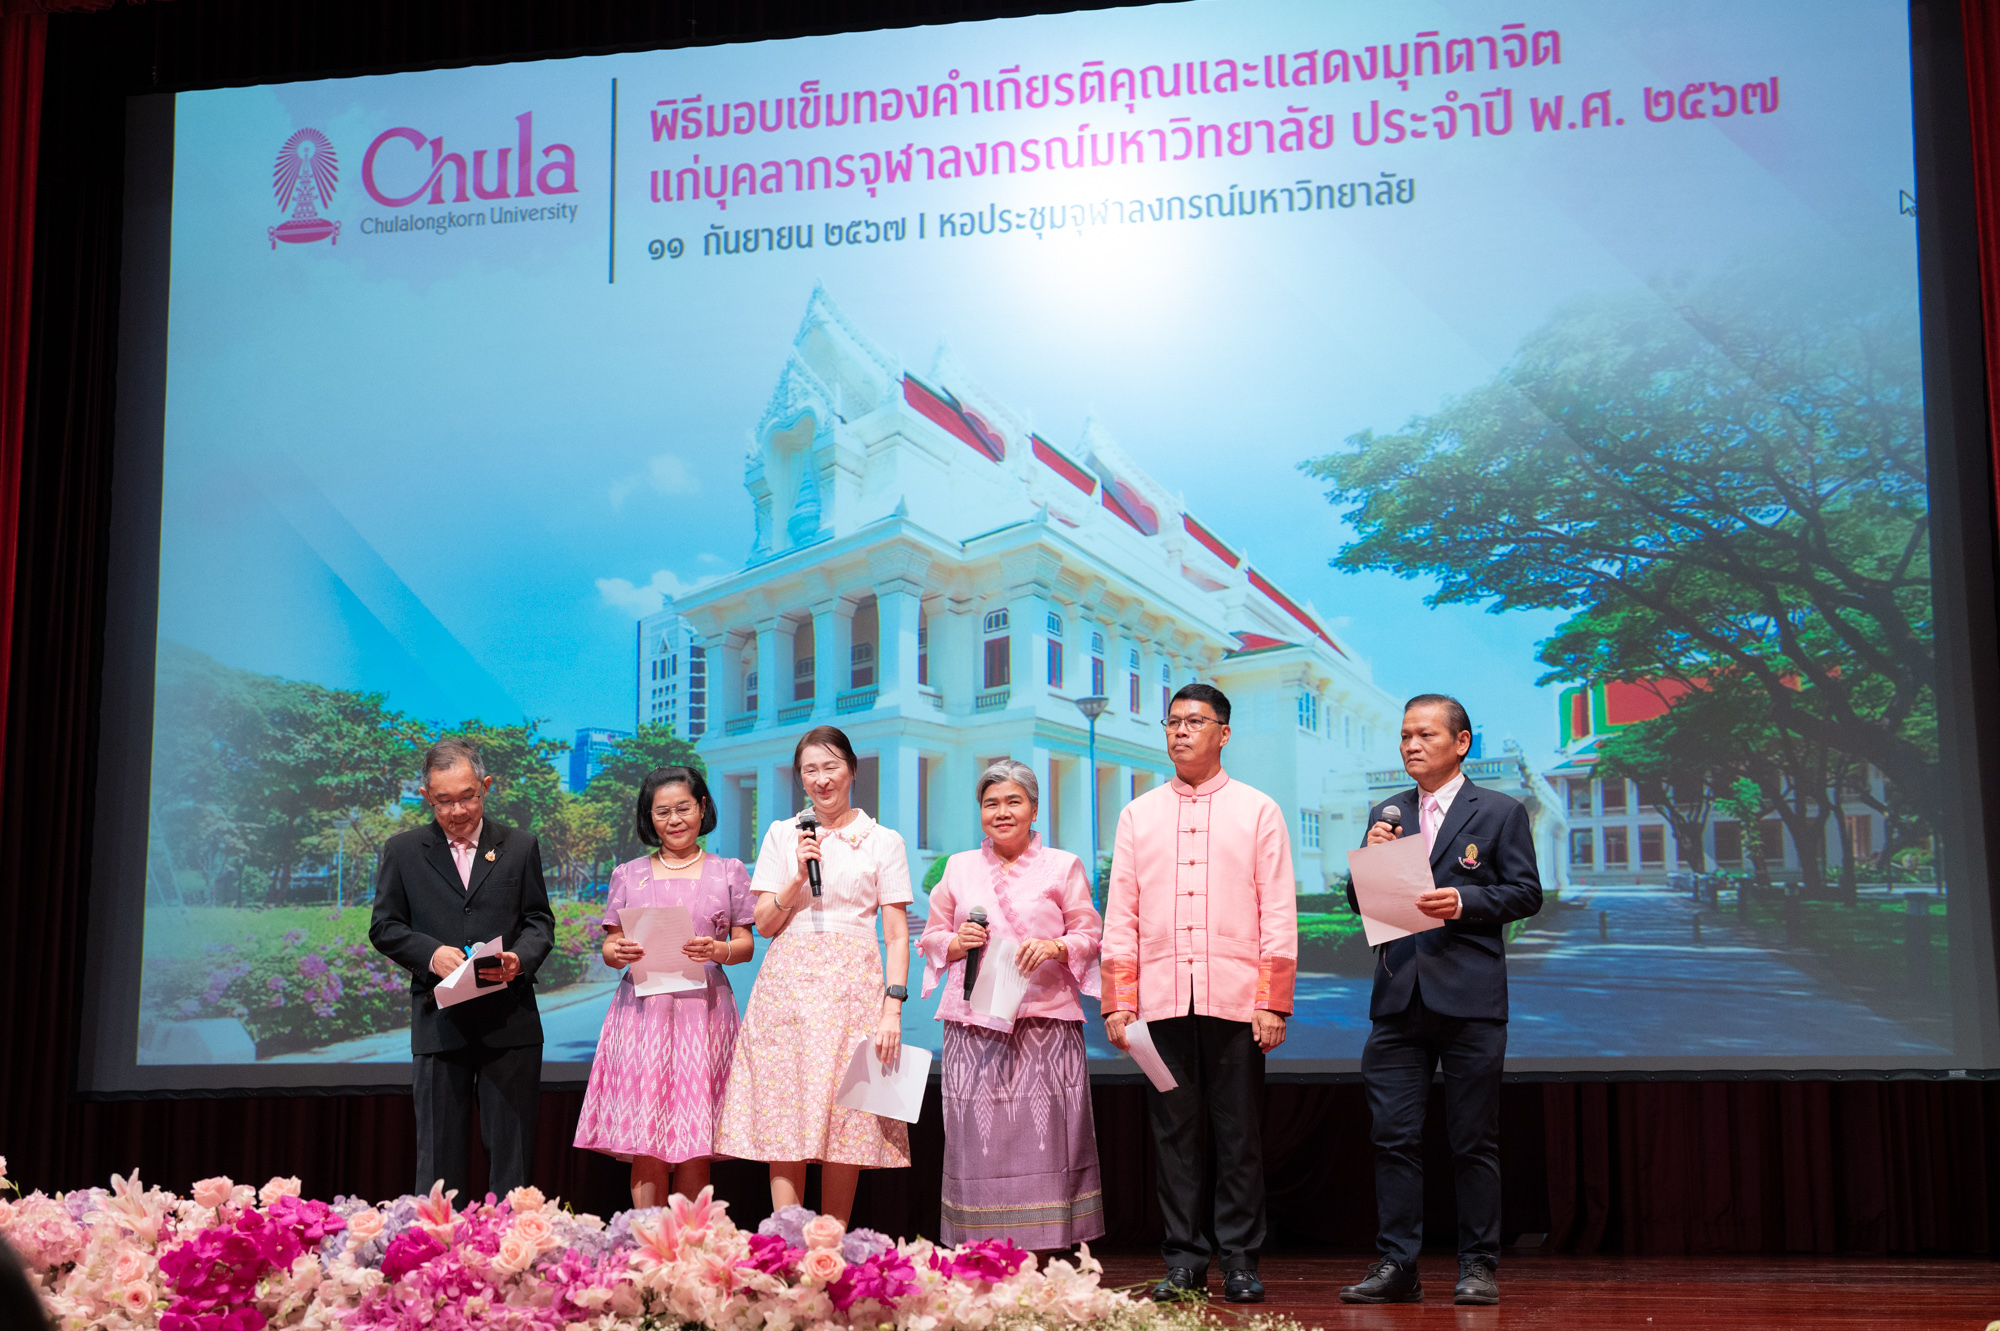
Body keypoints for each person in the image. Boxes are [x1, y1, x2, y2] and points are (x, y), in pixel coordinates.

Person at [1339, 694, 1543, 1307]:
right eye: (1404, 735)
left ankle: (1478, 1265)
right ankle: (1398, 1265)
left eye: (1425, 734)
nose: (1410, 745)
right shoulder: (1389, 809)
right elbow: (1361, 901)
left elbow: (1526, 892)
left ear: (1461, 743)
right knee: (1393, 1137)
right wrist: (1371, 859)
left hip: (1471, 999)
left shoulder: (1501, 811)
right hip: (1399, 998)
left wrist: (1465, 902)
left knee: (1472, 1140)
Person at [1102, 683, 1296, 1305]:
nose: (1181, 732)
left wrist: (1273, 999)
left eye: (1195, 721)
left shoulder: (1258, 809)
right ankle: (1184, 1260)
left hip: (1237, 1000)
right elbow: (1121, 910)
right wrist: (1118, 1000)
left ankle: (1240, 1260)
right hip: (1160, 1001)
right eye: (1173, 722)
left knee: (1239, 1136)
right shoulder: (1139, 813)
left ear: (1224, 733)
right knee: (1174, 1137)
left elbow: (1279, 909)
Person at [715, 725, 913, 1221]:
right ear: (801, 779)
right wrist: (799, 875)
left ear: (851, 769)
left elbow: (895, 934)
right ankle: (784, 1242)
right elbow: (763, 923)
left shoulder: (883, 840)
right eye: (810, 771)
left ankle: (832, 1246)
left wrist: (893, 1006)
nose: (821, 780)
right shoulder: (785, 833)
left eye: (830, 767)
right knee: (786, 1108)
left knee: (847, 1117)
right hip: (788, 985)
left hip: (855, 986)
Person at [919, 759, 1106, 1253]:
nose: (1001, 812)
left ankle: (1048, 1249)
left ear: (1034, 808)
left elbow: (1090, 931)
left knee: (1047, 1132)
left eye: (1012, 801)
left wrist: (1056, 947)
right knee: (977, 1137)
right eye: (990, 803)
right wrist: (956, 941)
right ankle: (980, 1249)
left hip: (1045, 1016)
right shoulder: (958, 866)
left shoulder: (1062, 865)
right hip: (974, 1019)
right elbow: (932, 936)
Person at [370, 737, 555, 1198]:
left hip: (509, 1023)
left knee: (513, 1161)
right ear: (427, 796)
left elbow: (539, 921)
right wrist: (431, 954)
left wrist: (520, 958)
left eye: (467, 796)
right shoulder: (404, 851)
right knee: (438, 1162)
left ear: (486, 786)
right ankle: (437, 1260)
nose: (457, 811)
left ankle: (514, 1262)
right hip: (440, 1023)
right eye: (444, 801)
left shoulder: (519, 845)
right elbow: (385, 926)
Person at [573, 765, 755, 1207]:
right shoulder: (628, 874)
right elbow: (611, 944)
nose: (674, 820)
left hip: (704, 1010)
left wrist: (718, 950)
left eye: (683, 808)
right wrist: (618, 953)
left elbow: (746, 943)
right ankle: (648, 1248)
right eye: (662, 812)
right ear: (648, 817)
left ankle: (691, 1253)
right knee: (645, 1135)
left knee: (696, 1138)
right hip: (642, 1011)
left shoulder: (728, 871)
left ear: (703, 808)